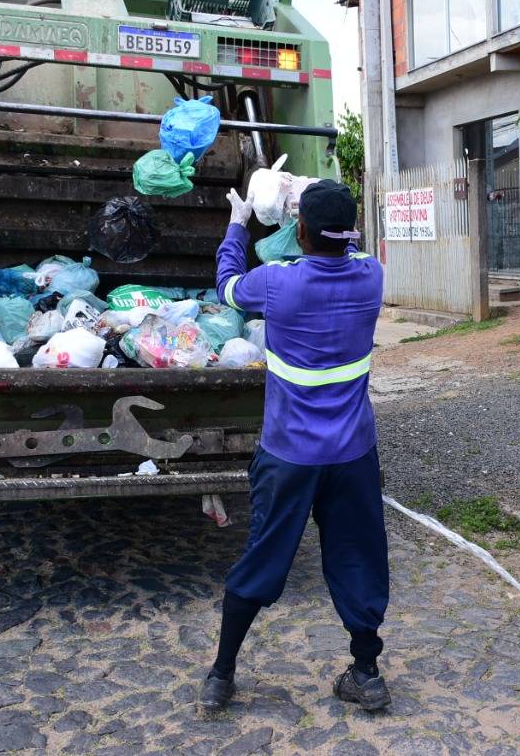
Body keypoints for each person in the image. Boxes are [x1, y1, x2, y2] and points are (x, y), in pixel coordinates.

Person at [198, 179, 391, 713]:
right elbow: (345, 249)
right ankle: (367, 674)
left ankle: (221, 674)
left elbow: (229, 287)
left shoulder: (279, 284)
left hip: (288, 455)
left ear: (298, 230)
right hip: (352, 454)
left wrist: (238, 225)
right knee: (359, 559)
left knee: (264, 556)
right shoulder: (371, 277)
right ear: (350, 232)